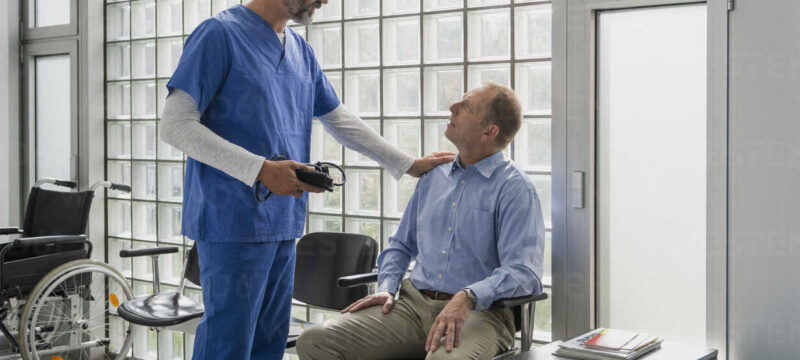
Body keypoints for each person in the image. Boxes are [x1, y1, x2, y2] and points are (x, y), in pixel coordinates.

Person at [159, 0, 454, 359]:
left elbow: (337, 118)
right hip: (230, 222)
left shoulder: (299, 49)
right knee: (228, 344)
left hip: (283, 220)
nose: (325, 0)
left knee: (269, 342)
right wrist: (262, 170)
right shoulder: (219, 34)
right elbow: (175, 125)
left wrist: (407, 163)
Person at [295, 82, 546, 360]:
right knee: (314, 341)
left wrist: (469, 295)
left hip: (479, 314)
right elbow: (401, 245)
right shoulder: (433, 177)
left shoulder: (514, 188)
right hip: (411, 307)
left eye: (467, 107)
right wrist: (387, 286)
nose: (453, 107)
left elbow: (525, 272)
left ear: (489, 131)